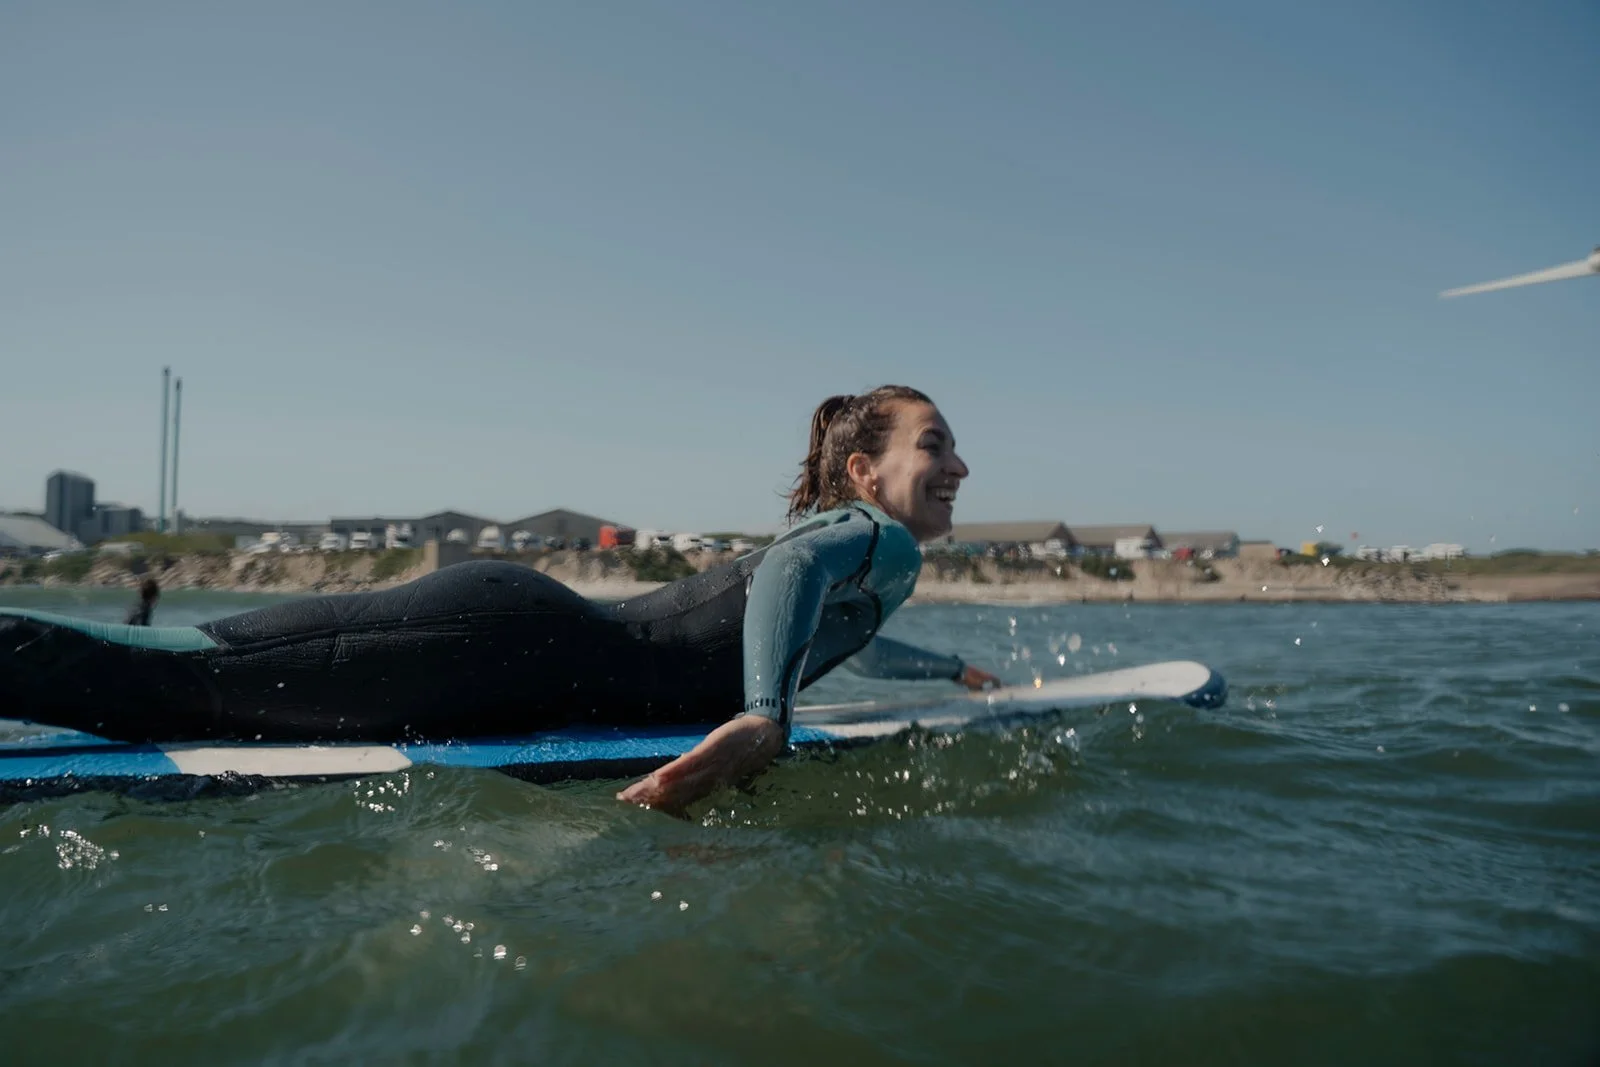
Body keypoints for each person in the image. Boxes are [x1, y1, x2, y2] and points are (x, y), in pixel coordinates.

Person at [0, 385, 996, 812]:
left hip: (513, 662)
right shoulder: (866, 536)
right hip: (501, 640)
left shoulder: (875, 560)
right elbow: (790, 580)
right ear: (863, 471)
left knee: (197, 683)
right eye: (933, 443)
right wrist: (762, 720)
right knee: (191, 676)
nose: (958, 462)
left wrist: (949, 671)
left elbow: (839, 638)